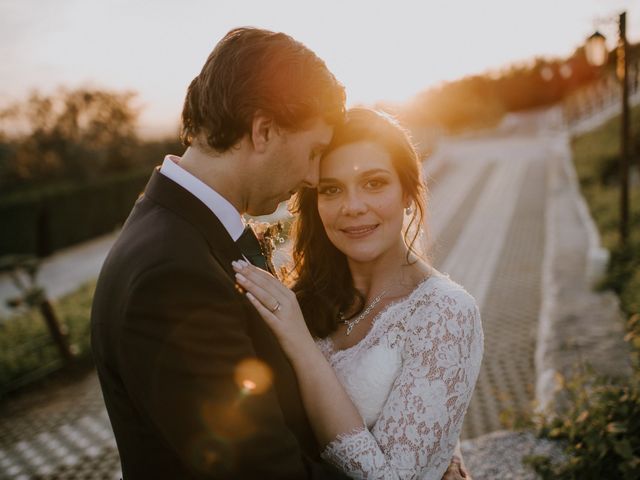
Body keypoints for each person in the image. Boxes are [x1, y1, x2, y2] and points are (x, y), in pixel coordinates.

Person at [91, 27, 349, 478]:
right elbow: (267, 470)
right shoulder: (170, 277)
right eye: (314, 151)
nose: (313, 175)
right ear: (264, 130)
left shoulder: (185, 231)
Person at [232, 108, 484, 479]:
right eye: (332, 189)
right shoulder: (302, 298)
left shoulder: (446, 312)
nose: (352, 207)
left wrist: (301, 345)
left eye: (374, 183)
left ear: (408, 192)